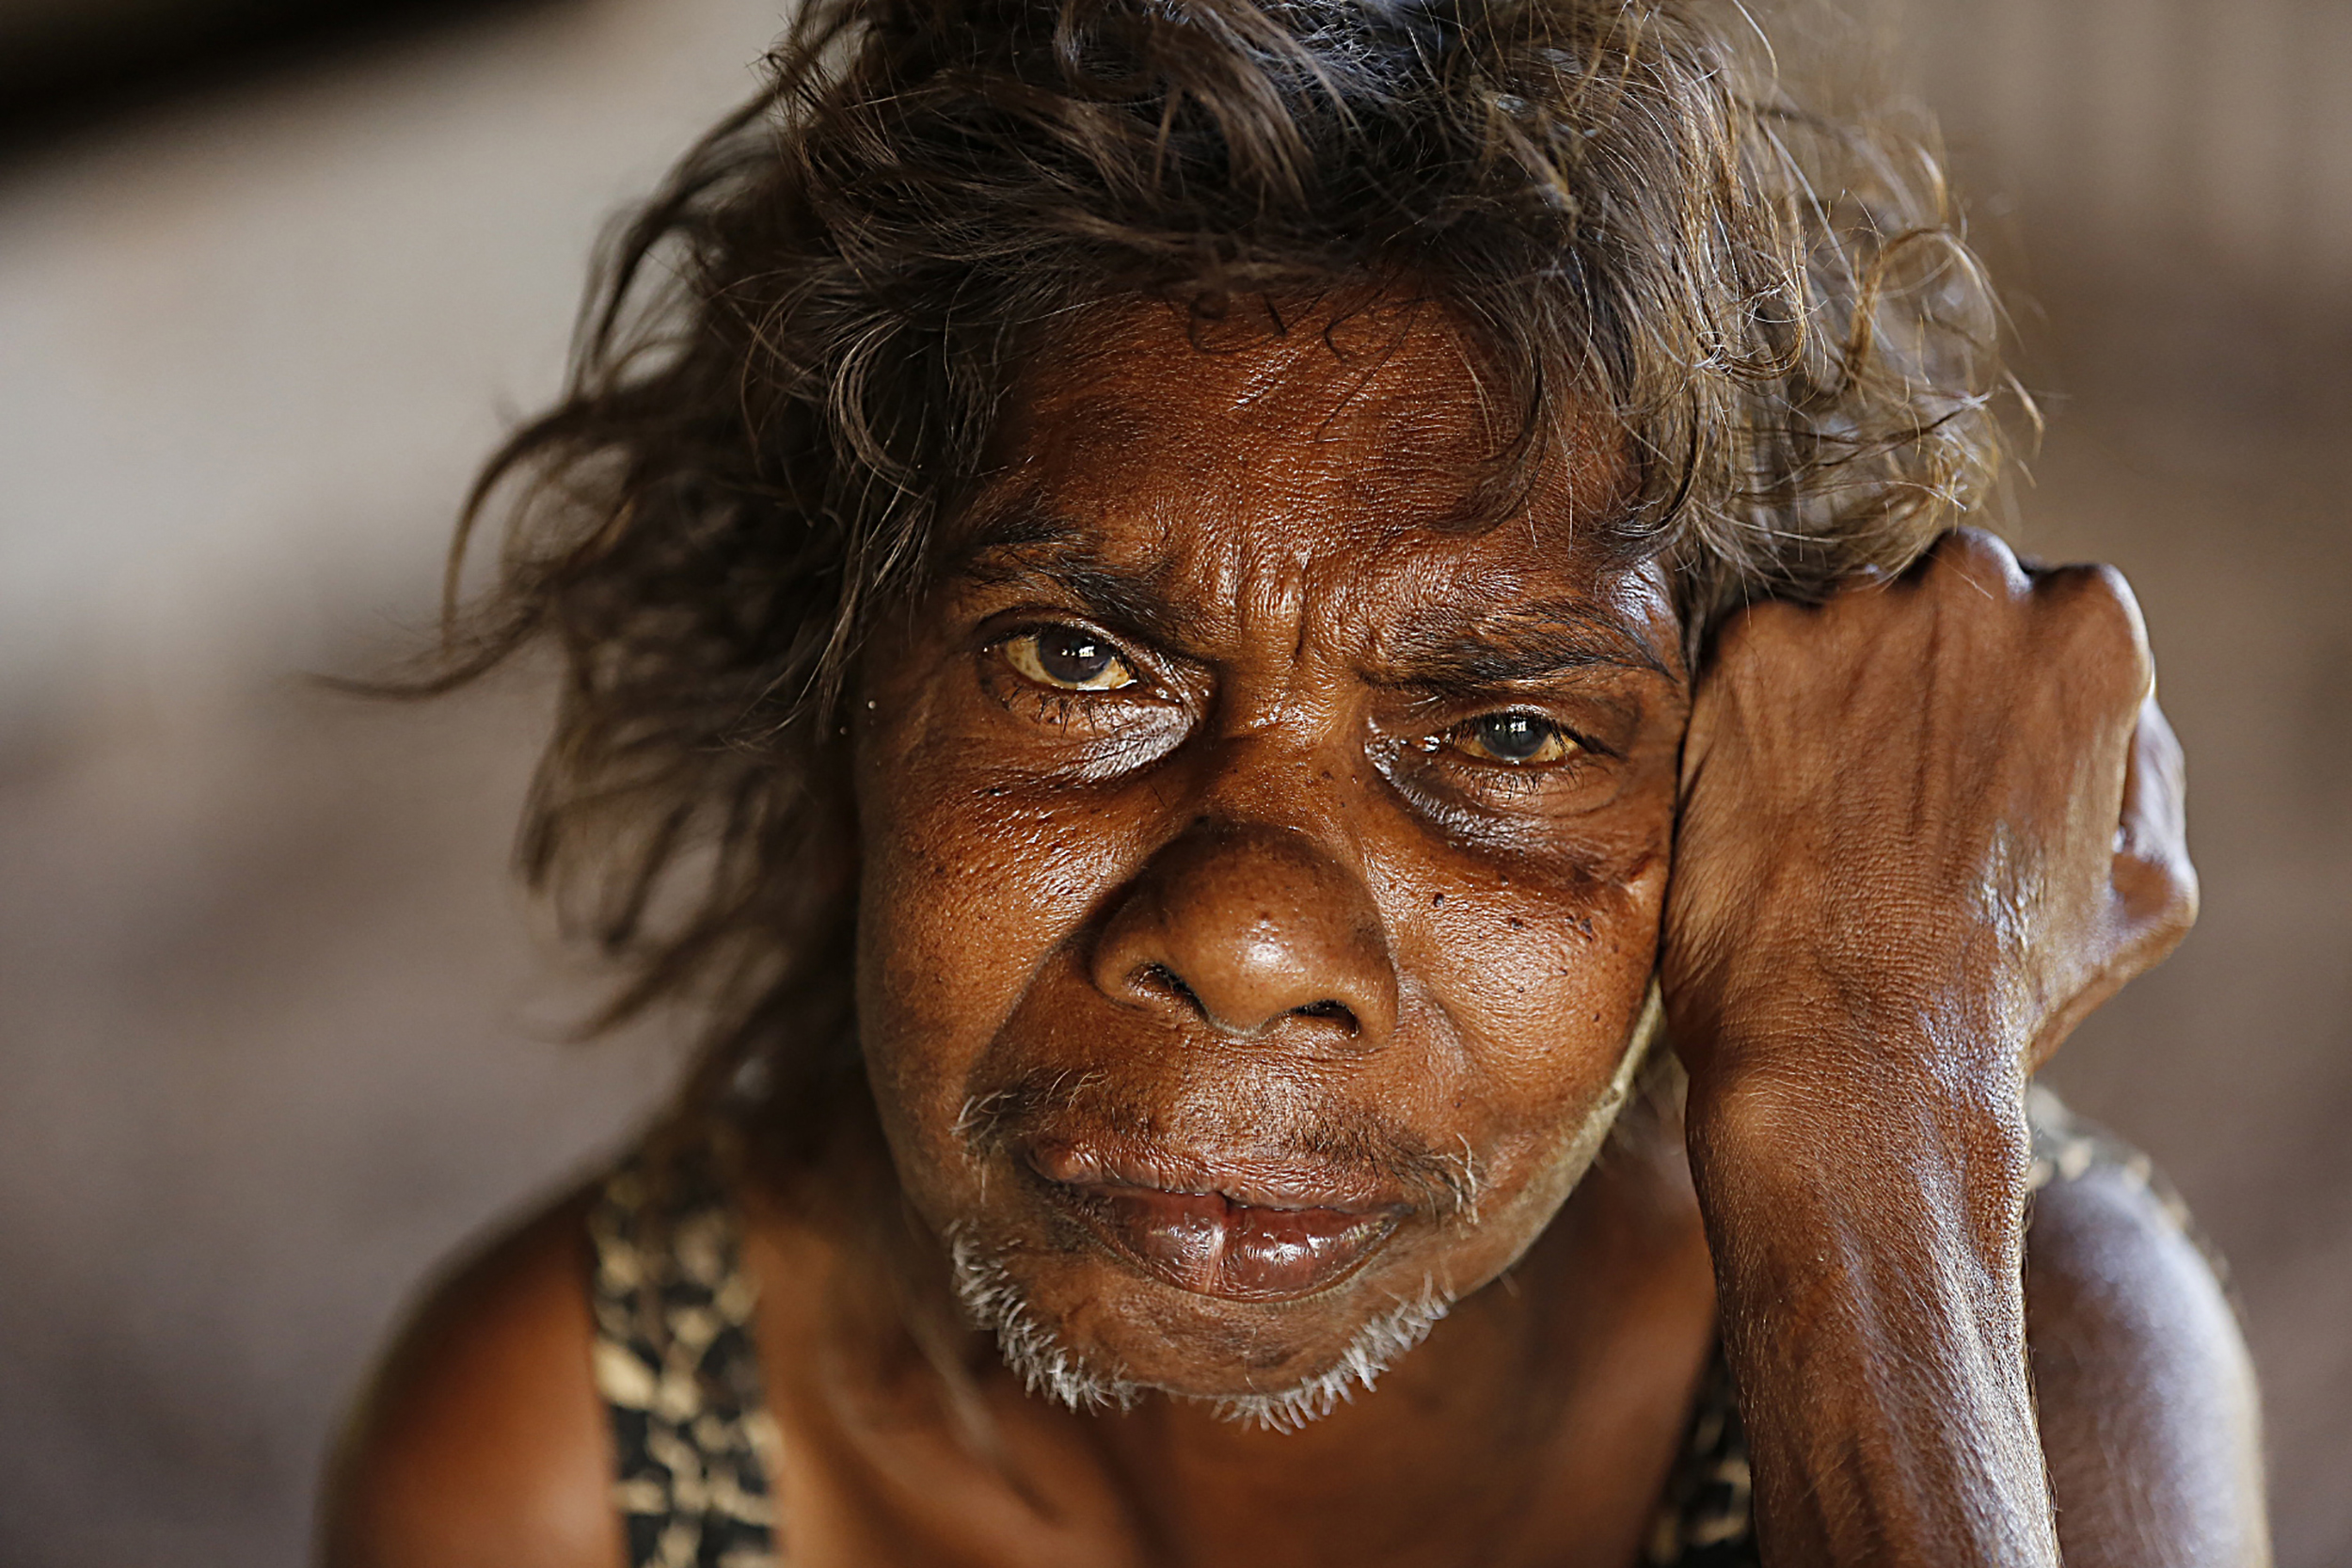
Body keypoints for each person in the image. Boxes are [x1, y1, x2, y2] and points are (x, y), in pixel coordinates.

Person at [320, 0, 2268, 1562]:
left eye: (1505, 733)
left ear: (1728, 830)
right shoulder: (565, 1466)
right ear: (833, 694)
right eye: (1074, 662)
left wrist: (1862, 1087)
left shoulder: (2028, 1355)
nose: (1249, 937)